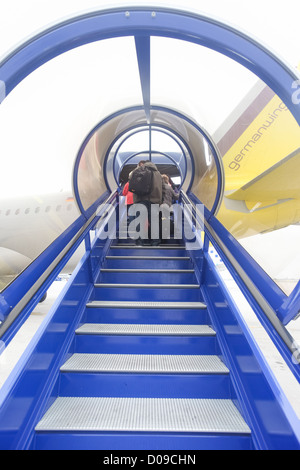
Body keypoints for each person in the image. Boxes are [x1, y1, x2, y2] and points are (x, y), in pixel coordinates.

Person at [129, 160, 163, 245]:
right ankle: (155, 242)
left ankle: (139, 242)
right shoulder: (158, 173)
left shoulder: (138, 170)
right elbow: (161, 187)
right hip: (155, 200)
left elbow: (130, 178)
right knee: (154, 222)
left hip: (140, 199)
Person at [161, 174, 179, 240]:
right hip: (167, 207)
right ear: (167, 180)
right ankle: (165, 236)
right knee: (166, 220)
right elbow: (176, 197)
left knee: (160, 221)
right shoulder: (169, 187)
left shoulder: (158, 187)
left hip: (159, 207)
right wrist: (180, 194)